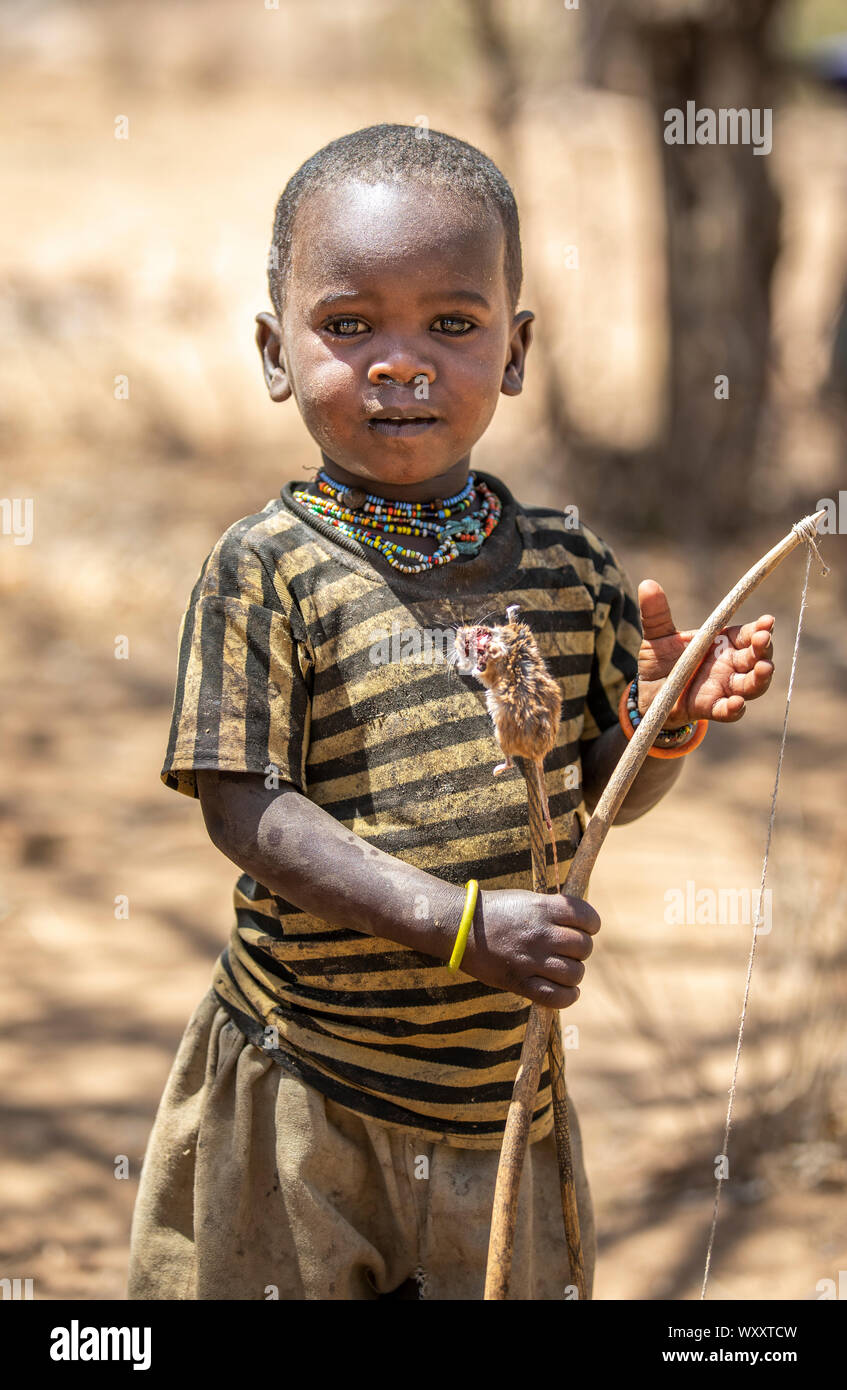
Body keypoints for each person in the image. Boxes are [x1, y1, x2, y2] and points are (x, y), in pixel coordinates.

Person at [127, 124, 776, 1301]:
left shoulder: (571, 567)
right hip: (304, 1097)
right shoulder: (264, 568)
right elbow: (242, 806)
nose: (402, 362)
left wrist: (660, 725)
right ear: (275, 352)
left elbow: (600, 793)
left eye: (453, 324)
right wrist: (460, 924)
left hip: (498, 1108)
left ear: (517, 351)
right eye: (348, 324)